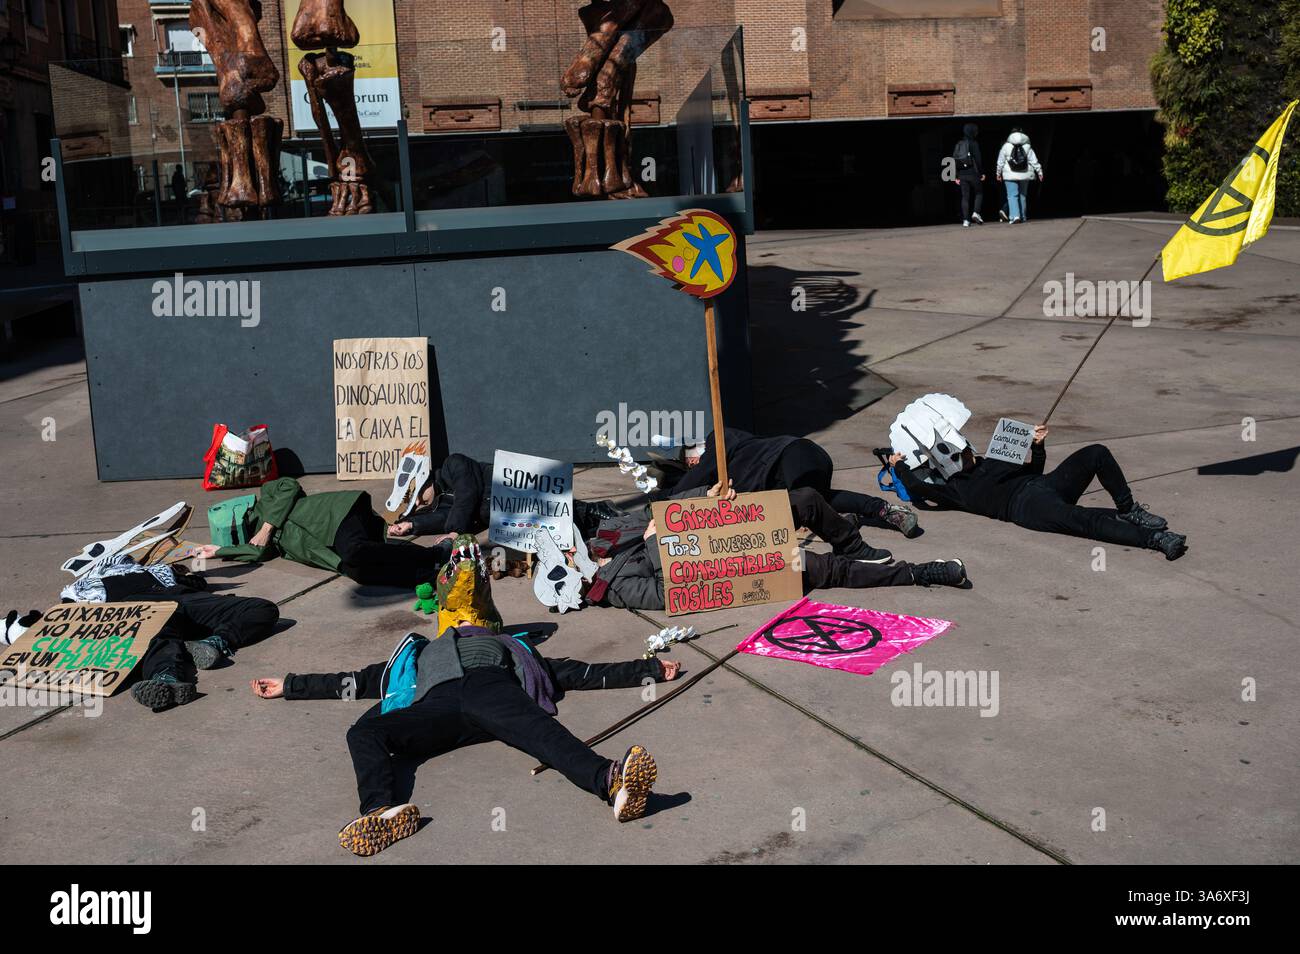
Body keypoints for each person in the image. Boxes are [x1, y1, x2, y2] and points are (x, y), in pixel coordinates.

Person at [251, 624, 681, 856]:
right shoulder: (419, 653)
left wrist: (648, 669)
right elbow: (360, 681)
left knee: (540, 731)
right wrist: (290, 684)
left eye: (472, 618)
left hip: (491, 690)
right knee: (365, 730)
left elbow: (583, 673)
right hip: (435, 705)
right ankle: (380, 812)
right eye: (454, 618)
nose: (462, 620)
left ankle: (614, 784)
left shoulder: (513, 648)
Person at [585, 483, 969, 613]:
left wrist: (706, 495)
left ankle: (854, 544)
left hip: (731, 530)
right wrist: (657, 546)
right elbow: (673, 595)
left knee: (804, 499)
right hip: (733, 568)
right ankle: (918, 573)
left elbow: (663, 508)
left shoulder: (609, 532)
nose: (577, 547)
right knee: (819, 568)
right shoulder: (613, 585)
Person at [888, 425, 1188, 559]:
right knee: (1087, 522)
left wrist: (1037, 445)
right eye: (958, 454)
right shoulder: (955, 490)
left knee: (1096, 452)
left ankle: (1128, 509)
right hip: (1027, 509)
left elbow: (1035, 471)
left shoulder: (993, 457)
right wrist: (899, 466)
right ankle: (1155, 540)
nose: (964, 455)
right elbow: (916, 488)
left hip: (1043, 486)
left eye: (964, 450)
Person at [61, 553, 280, 711]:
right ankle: (165, 679)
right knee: (157, 637)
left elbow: (197, 583)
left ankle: (215, 642)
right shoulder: (82, 587)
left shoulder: (156, 569)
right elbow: (71, 617)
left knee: (263, 608)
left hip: (183, 599)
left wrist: (186, 574)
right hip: (140, 608)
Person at [651, 427, 921, 539]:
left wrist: (662, 501)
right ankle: (886, 510)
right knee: (818, 499)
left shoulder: (719, 440)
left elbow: (693, 480)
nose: (695, 468)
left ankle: (845, 523)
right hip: (800, 462)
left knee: (807, 504)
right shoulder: (735, 459)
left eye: (691, 464)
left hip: (792, 456)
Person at [190, 477, 451, 588]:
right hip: (331, 544)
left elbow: (290, 486)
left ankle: (435, 553)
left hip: (339, 514)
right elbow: (258, 552)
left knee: (354, 550)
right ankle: (432, 577)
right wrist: (219, 551)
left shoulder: (267, 497)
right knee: (359, 570)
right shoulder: (268, 543)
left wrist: (267, 527)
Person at [387, 452, 621, 541]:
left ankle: (599, 510)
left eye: (416, 496)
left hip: (523, 493)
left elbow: (466, 496)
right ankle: (604, 525)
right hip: (515, 514)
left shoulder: (453, 464)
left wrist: (454, 530)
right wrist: (412, 524)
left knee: (565, 511)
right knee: (574, 531)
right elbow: (446, 517)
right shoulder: (441, 501)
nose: (418, 503)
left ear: (426, 481)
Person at [996, 129, 1043, 224]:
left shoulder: (1005, 146)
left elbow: (1000, 161)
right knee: (1022, 196)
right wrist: (1040, 172)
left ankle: (1015, 216)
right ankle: (1023, 216)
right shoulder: (1027, 147)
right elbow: (1034, 161)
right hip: (1025, 174)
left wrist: (998, 173)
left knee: (1012, 195)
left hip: (1010, 175)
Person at [953, 123, 985, 228]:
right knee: (979, 193)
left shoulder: (959, 143)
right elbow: (978, 159)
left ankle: (966, 220)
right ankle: (976, 212)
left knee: (965, 197)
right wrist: (981, 173)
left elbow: (954, 160)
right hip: (973, 173)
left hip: (962, 174)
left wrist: (956, 176)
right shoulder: (974, 143)